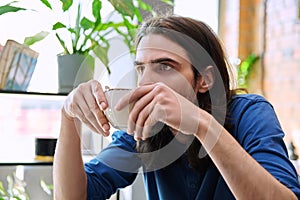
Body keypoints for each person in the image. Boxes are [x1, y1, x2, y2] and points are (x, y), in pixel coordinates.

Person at [53, 15, 300, 200]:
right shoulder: (143, 129)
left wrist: (202, 124)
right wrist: (68, 116)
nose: (145, 81)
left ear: (205, 79)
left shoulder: (250, 113)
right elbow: (75, 196)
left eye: (165, 66)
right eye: (141, 68)